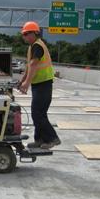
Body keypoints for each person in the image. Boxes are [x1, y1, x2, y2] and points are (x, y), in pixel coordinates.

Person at [19, 21, 61, 149]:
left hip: (44, 84)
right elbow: (29, 66)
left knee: (37, 113)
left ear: (34, 33)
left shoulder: (38, 46)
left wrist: (26, 83)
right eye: (24, 34)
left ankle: (53, 138)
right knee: (38, 113)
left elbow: (34, 65)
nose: (24, 36)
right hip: (39, 85)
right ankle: (40, 140)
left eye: (26, 34)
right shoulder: (32, 47)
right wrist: (23, 79)